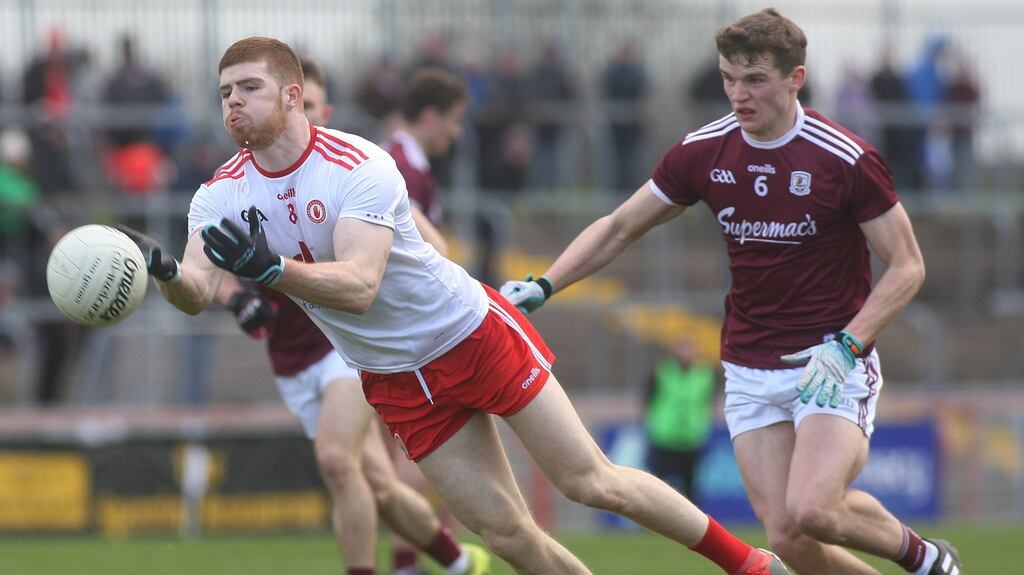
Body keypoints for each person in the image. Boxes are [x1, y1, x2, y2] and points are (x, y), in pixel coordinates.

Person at [120, 36, 788, 575]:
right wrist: (167, 271)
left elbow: (359, 284)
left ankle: (750, 563)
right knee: (506, 533)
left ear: (293, 96)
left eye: (248, 88)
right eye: (224, 93)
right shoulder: (217, 196)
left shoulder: (358, 162)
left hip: (468, 332)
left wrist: (270, 267)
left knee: (592, 481)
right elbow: (198, 292)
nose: (232, 102)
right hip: (394, 377)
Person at [500, 9, 961, 575]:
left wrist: (848, 345)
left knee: (814, 508)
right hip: (748, 365)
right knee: (789, 538)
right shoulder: (704, 151)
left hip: (830, 360)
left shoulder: (845, 158)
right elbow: (621, 226)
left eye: (755, 80)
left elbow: (908, 266)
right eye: (728, 78)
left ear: (796, 78)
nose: (737, 95)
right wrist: (546, 284)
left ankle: (927, 559)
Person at [211, 55, 485, 575]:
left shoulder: (358, 166)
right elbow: (205, 266)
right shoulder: (243, 182)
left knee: (342, 462)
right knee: (375, 482)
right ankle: (457, 563)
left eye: (308, 107)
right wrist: (233, 296)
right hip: (293, 349)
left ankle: (403, 565)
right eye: (231, 93)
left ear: (311, 109)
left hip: (351, 343)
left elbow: (432, 248)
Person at [643, 338, 715, 503]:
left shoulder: (705, 374)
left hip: (692, 438)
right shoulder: (661, 372)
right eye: (683, 349)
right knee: (658, 485)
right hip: (664, 437)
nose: (687, 354)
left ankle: (690, 526)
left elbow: (707, 402)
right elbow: (648, 400)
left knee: (691, 488)